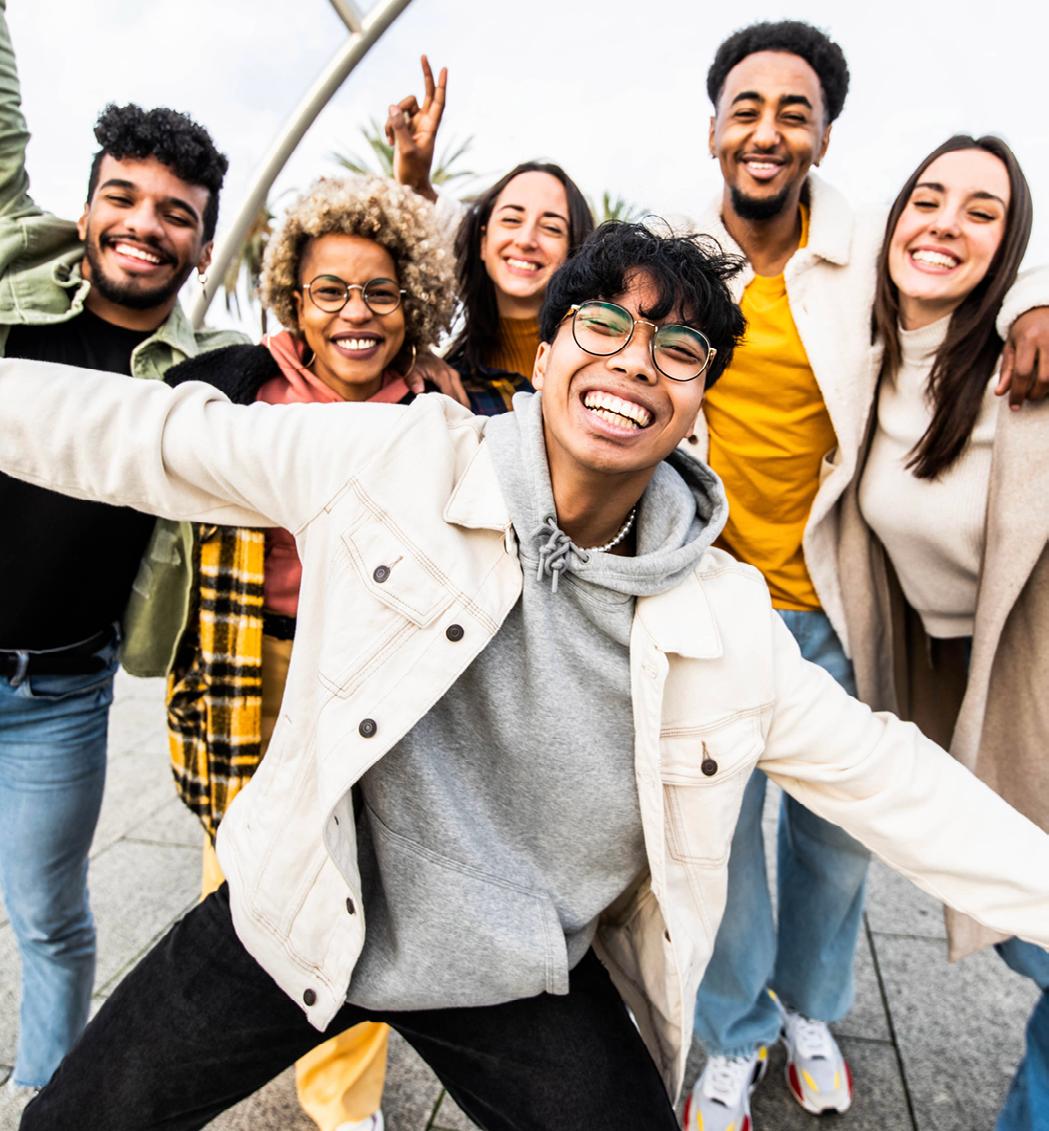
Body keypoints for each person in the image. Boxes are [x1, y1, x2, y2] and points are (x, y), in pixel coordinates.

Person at [0, 222, 1048, 1131]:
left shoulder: (725, 622)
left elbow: (888, 777)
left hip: (513, 965)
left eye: (678, 350)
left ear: (696, 406)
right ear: (543, 358)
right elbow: (150, 433)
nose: (636, 361)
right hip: (301, 910)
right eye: (603, 326)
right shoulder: (394, 459)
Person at [683, 21, 1049, 1131]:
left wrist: (1035, 296)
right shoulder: (674, 257)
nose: (767, 131)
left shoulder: (859, 265)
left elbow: (967, 268)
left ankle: (811, 1010)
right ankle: (732, 1036)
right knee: (719, 849)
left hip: (836, 608)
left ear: (824, 137)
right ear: (712, 129)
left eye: (793, 113)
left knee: (836, 846)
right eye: (746, 108)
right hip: (709, 608)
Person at [160, 172, 454, 1131]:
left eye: (379, 292)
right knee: (238, 882)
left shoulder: (440, 412)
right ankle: (200, 1059)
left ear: (412, 301)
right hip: (252, 672)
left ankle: (344, 1099)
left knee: (355, 889)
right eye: (330, 290)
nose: (355, 313)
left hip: (374, 682)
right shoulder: (240, 387)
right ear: (294, 298)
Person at [0, 1, 246, 1107]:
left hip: (58, 696)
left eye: (175, 213)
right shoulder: (15, 280)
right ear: (86, 207)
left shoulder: (214, 370)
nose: (144, 225)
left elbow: (350, 347)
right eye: (123, 197)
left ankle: (48, 1103)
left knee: (49, 918)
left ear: (202, 242)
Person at [838, 135, 1049, 1131]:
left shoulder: (1026, 371)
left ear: (1010, 247)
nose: (943, 224)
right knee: (1020, 932)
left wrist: (1037, 298)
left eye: (981, 212)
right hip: (959, 693)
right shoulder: (868, 355)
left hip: (1033, 694)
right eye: (926, 199)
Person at [386, 57, 595, 410]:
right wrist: (415, 184)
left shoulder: (600, 375)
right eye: (511, 220)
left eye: (551, 227)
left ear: (575, 251)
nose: (526, 240)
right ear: (482, 242)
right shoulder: (444, 384)